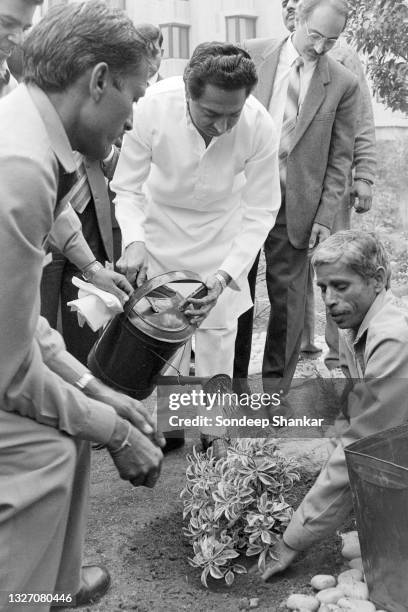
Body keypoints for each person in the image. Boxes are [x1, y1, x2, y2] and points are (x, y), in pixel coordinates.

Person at [0, 3, 164, 609]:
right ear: (98, 80)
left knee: (66, 426)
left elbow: (19, 328)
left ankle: (49, 585)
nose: (133, 118)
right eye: (135, 95)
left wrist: (94, 388)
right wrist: (117, 431)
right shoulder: (18, 170)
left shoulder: (26, 133)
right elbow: (10, 373)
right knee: (46, 449)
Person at [112, 42, 281, 454]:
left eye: (233, 115)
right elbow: (127, 188)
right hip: (159, 230)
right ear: (188, 94)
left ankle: (215, 433)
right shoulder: (151, 107)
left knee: (218, 334)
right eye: (211, 114)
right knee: (167, 330)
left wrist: (226, 275)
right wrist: (134, 240)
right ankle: (172, 426)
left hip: (222, 236)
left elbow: (261, 210)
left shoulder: (259, 125)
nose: (223, 127)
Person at [261, 230, 408, 579]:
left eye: (340, 286)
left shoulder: (392, 341)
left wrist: (294, 538)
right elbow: (352, 412)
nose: (328, 299)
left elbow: (362, 446)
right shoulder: (355, 325)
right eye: (323, 288)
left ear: (378, 280)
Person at [233, 0, 359, 400]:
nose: (320, 47)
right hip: (240, 198)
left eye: (332, 40)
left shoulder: (341, 81)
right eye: (316, 36)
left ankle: (272, 394)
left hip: (296, 208)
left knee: (288, 305)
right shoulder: (251, 53)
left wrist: (325, 214)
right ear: (298, 19)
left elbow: (341, 158)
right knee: (236, 295)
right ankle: (232, 391)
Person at [277, 0, 377, 362]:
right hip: (287, 187)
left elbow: (361, 120)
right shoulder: (279, 56)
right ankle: (304, 343)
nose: (319, 45)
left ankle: (340, 351)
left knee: (335, 262)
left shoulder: (343, 57)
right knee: (296, 270)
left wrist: (364, 174)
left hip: (329, 186)